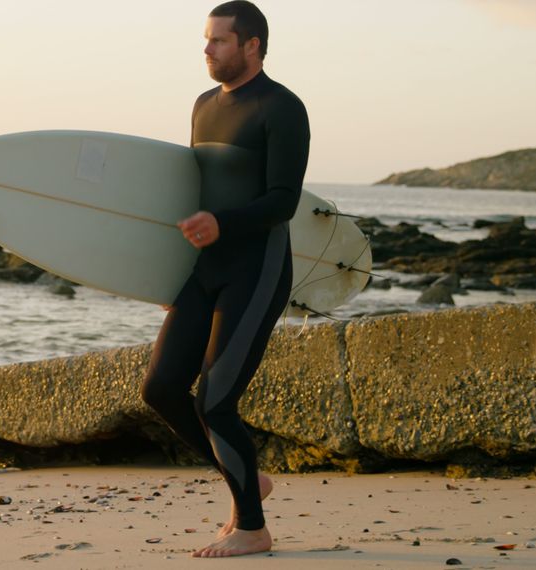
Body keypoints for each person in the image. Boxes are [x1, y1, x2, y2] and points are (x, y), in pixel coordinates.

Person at [140, 1, 310, 558]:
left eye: (219, 41)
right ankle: (244, 477)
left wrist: (222, 224)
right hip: (206, 268)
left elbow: (283, 201)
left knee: (215, 400)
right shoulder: (203, 106)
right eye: (206, 41)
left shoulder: (282, 109)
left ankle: (252, 527)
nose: (208, 51)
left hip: (256, 269)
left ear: (252, 45)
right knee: (161, 389)